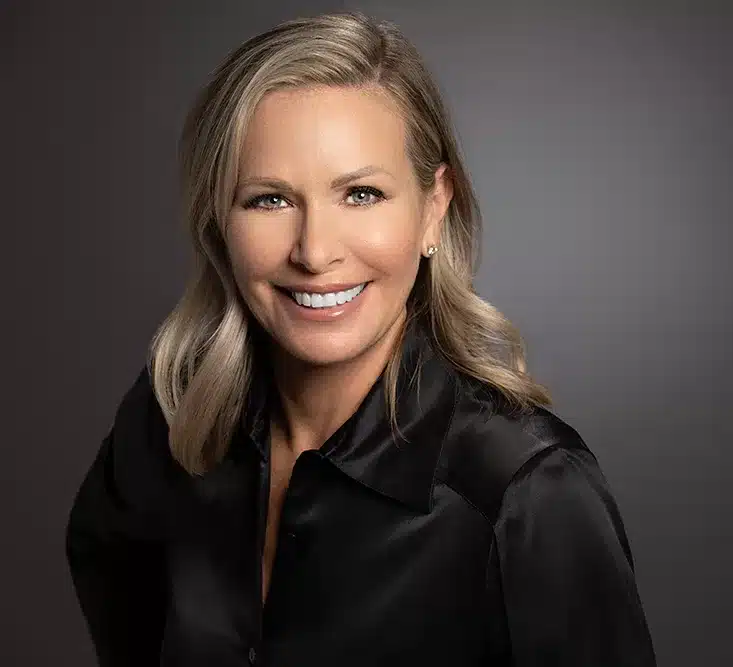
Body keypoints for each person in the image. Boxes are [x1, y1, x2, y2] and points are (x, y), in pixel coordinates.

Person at [65, 11, 657, 666]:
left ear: (434, 209)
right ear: (217, 219)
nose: (315, 252)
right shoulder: (170, 417)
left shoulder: (529, 491)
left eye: (362, 194)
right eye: (269, 199)